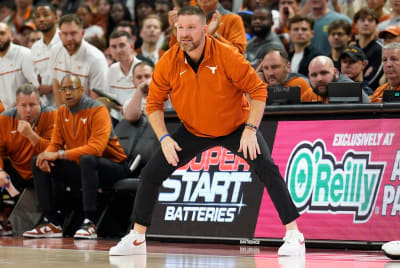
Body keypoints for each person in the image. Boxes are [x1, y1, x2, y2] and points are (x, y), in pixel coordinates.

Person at [109, 6, 305, 257]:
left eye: (191, 28)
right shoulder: (168, 60)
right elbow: (154, 104)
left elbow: (258, 91)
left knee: (267, 167)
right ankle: (137, 238)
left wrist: (250, 129)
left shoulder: (226, 55)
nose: (185, 34)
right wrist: (164, 137)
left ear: (204, 29)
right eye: (180, 28)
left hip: (236, 127)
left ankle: (293, 234)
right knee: (150, 174)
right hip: (193, 129)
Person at [23, 75, 130, 239]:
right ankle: (50, 222)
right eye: (63, 89)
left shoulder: (98, 109)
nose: (67, 93)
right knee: (38, 161)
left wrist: (58, 155)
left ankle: (90, 222)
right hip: (84, 166)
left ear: (82, 90)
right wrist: (46, 155)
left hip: (114, 165)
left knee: (87, 158)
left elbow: (96, 148)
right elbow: (55, 144)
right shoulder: (62, 112)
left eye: (72, 88)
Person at [0, 84, 57, 235]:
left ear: (40, 103)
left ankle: (50, 221)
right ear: (16, 106)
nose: (27, 110)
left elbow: (52, 151)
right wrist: (0, 171)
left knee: (40, 161)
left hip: (45, 171)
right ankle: (3, 222)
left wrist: (31, 135)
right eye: (23, 105)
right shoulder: (5, 119)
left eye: (32, 105)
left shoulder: (51, 115)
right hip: (18, 173)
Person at [49, 14, 108, 107]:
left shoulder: (96, 58)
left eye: (73, 33)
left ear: (82, 33)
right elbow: (57, 87)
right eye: (65, 34)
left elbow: (97, 100)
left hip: (89, 113)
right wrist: (62, 115)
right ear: (60, 35)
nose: (69, 39)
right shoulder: (54, 51)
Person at [168, 0, 247, 54]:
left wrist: (214, 36)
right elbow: (175, 54)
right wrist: (176, 30)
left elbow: (239, 53)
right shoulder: (186, 18)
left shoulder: (233, 19)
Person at [0, 22, 38, 110]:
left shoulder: (24, 54)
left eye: (2, 33)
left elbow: (34, 86)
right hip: (6, 113)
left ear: (11, 36)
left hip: (27, 110)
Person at [107, 30, 143, 121]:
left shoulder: (143, 69)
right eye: (113, 47)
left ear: (131, 46)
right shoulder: (111, 69)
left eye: (122, 45)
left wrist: (126, 108)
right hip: (117, 122)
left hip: (141, 120)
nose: (118, 50)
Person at [303, 55, 371, 103]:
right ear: (309, 77)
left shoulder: (345, 88)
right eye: (314, 75)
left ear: (335, 72)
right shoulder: (312, 92)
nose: (319, 79)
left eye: (324, 73)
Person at [31, 3, 61, 107]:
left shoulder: (65, 41)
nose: (41, 19)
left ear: (56, 18)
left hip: (66, 103)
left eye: (46, 15)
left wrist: (52, 88)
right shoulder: (35, 48)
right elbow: (35, 76)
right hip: (45, 106)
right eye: (37, 16)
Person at [354, 7, 384, 91]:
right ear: (355, 24)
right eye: (362, 20)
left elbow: (374, 79)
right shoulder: (351, 49)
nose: (366, 23)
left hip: (372, 96)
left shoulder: (380, 49)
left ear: (376, 25)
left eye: (370, 20)